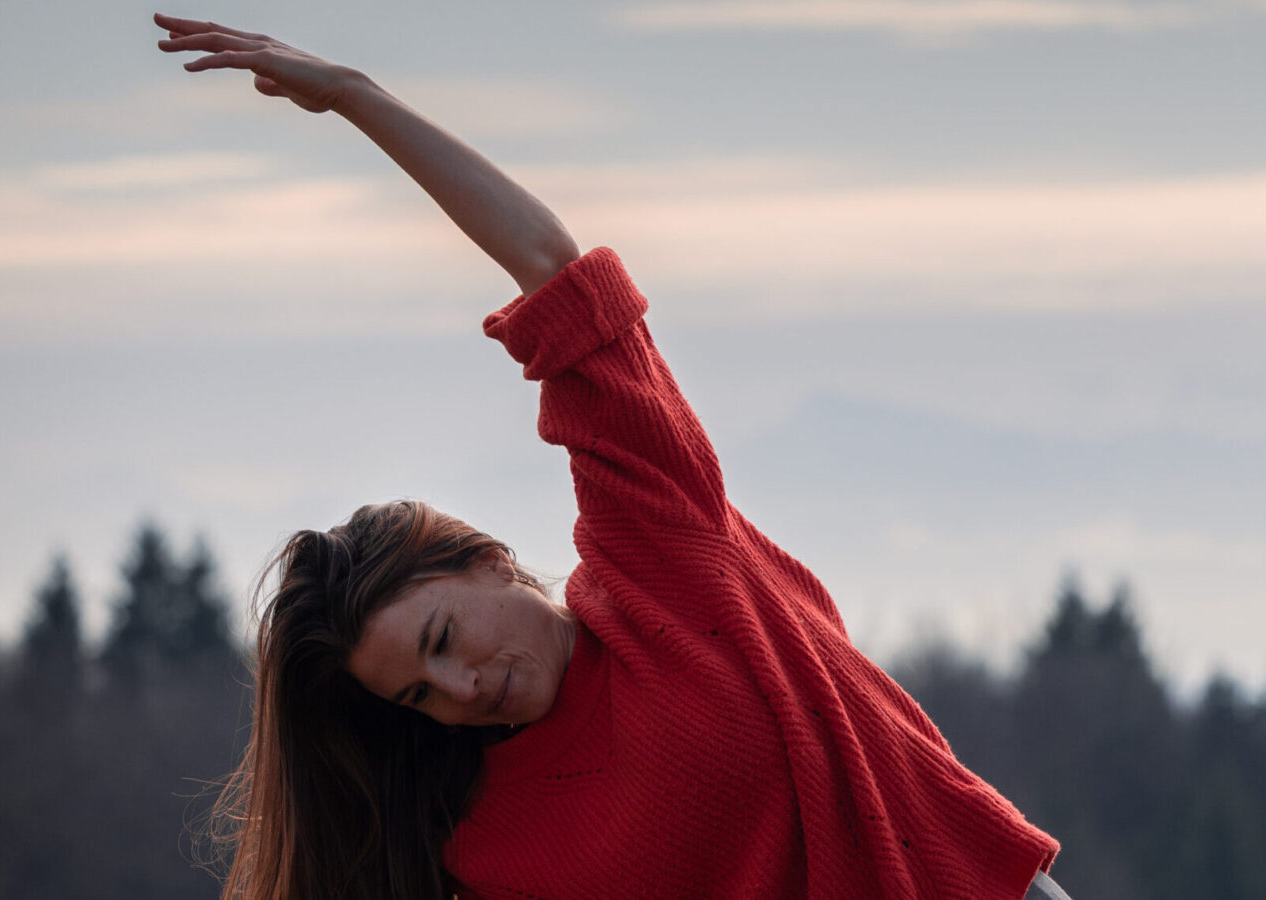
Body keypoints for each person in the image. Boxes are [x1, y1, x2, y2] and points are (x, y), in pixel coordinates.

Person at [154, 13, 1072, 900]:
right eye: (415, 697)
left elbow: (555, 271)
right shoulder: (492, 845)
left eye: (441, 642)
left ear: (486, 561)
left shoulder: (659, 555)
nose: (458, 691)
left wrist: (357, 96)